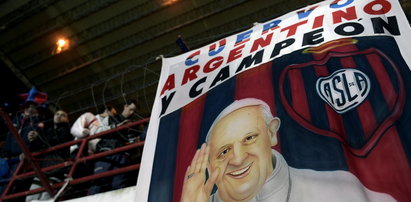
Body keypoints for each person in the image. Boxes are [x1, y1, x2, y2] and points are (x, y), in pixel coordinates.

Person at [181, 98, 396, 202]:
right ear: (210, 165)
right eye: (224, 152)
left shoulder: (339, 191)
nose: (237, 159)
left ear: (272, 133)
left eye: (249, 138)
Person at [88, 100, 138, 195]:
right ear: (125, 106)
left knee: (119, 187)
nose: (131, 113)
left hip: (123, 156)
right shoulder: (109, 119)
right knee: (99, 185)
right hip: (106, 153)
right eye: (131, 109)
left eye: (134, 111)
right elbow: (96, 132)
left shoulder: (133, 124)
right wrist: (116, 126)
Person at [25, 110, 73, 201]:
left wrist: (39, 137)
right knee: (31, 197)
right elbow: (38, 148)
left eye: (63, 115)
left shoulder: (67, 130)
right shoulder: (47, 130)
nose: (59, 116)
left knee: (46, 198)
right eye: (57, 114)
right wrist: (33, 139)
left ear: (67, 120)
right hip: (44, 168)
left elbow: (56, 141)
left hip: (57, 169)